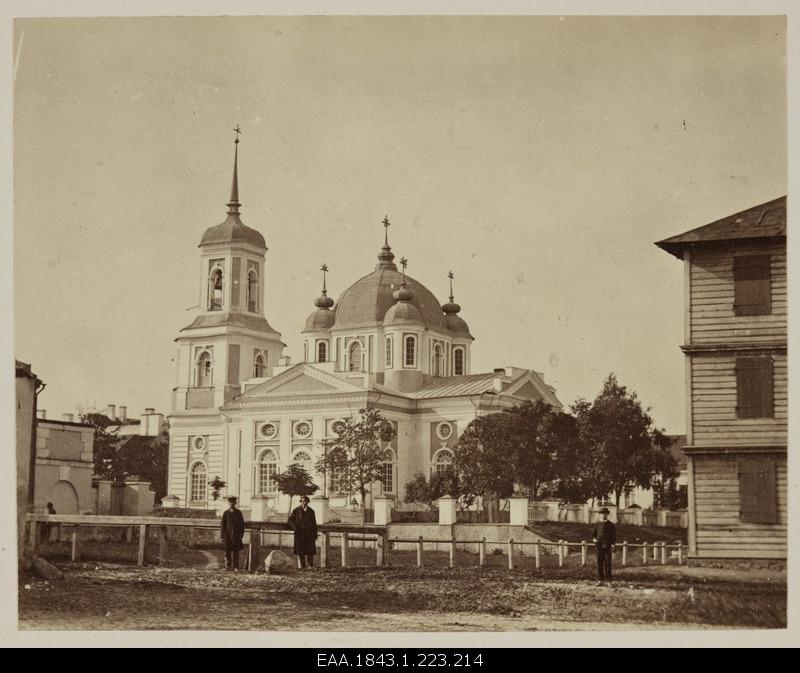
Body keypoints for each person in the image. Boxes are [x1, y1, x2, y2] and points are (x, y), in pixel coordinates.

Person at [289, 496, 318, 569]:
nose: (304, 503)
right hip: (300, 533)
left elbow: (314, 523)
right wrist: (295, 528)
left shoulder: (311, 511)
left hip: (309, 534)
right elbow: (290, 520)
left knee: (310, 551)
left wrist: (315, 533)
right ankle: (302, 566)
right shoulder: (296, 511)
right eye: (303, 501)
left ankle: (310, 565)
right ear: (301, 501)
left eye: (306, 501)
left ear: (308, 502)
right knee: (300, 550)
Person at [592, 506, 616, 586]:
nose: (602, 515)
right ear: (599, 514)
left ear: (607, 514)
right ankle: (600, 580)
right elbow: (593, 535)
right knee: (599, 563)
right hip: (599, 547)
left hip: (607, 547)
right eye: (601, 514)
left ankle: (609, 581)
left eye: (604, 514)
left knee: (608, 564)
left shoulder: (611, 525)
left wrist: (612, 545)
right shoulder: (597, 524)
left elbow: (613, 537)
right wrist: (595, 540)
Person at [220, 496, 245, 571]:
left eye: (233, 502)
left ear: (235, 503)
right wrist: (222, 536)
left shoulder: (238, 513)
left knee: (236, 551)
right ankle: (227, 566)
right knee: (227, 551)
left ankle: (235, 566)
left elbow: (242, 524)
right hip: (227, 535)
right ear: (228, 503)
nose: (231, 504)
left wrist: (241, 534)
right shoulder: (226, 513)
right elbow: (223, 525)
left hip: (236, 535)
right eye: (230, 502)